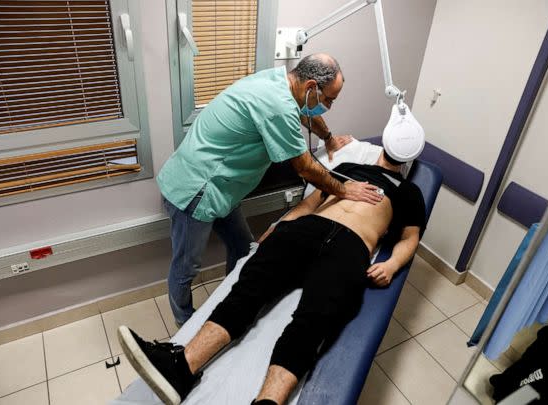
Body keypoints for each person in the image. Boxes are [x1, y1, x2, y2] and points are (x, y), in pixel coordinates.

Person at [118, 141, 426, 405]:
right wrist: (279, 225)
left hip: (352, 244)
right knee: (248, 290)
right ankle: (180, 368)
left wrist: (391, 264)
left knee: (315, 319)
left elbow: (410, 237)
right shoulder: (346, 166)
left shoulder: (409, 192)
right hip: (305, 229)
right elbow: (309, 203)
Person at [157, 53, 384, 326]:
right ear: (311, 86)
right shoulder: (277, 104)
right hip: (196, 190)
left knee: (243, 247)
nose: (329, 107)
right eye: (328, 100)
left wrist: (329, 139)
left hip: (223, 189)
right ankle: (184, 324)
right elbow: (305, 168)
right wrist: (344, 190)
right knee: (186, 268)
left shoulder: (280, 80)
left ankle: (230, 302)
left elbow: (303, 112)